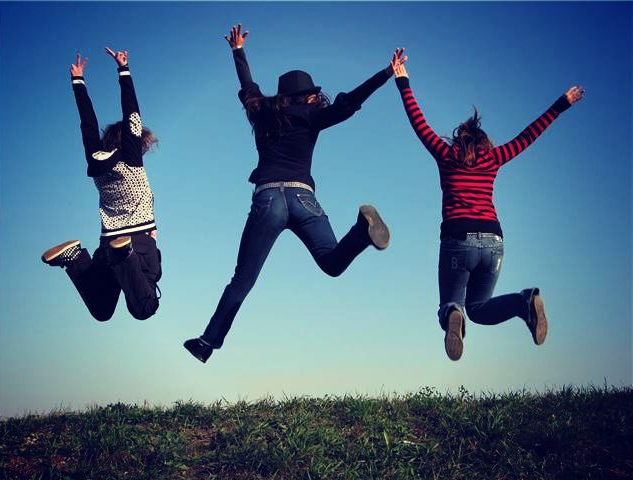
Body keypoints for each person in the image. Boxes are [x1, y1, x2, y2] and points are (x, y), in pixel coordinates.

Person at [184, 25, 406, 363]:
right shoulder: (312, 116)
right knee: (332, 262)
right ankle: (362, 232)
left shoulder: (261, 112)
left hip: (268, 200)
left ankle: (207, 343)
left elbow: (247, 86)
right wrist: (386, 74)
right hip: (303, 199)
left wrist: (238, 50)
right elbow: (350, 102)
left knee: (242, 280)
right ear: (307, 96)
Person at [393, 54, 584, 360]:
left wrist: (403, 81)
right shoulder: (494, 158)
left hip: (457, 237)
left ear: (459, 141)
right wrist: (561, 105)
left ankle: (452, 313)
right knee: (479, 309)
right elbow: (529, 135)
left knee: (452, 304)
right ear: (484, 143)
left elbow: (419, 122)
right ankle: (523, 302)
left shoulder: (446, 154)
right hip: (494, 240)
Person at [41, 48, 162, 322]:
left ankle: (75, 259)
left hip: (107, 243)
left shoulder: (95, 161)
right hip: (139, 241)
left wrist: (78, 82)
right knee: (144, 308)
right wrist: (123, 70)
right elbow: (132, 114)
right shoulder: (131, 159)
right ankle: (124, 254)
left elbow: (87, 125)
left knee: (102, 310)